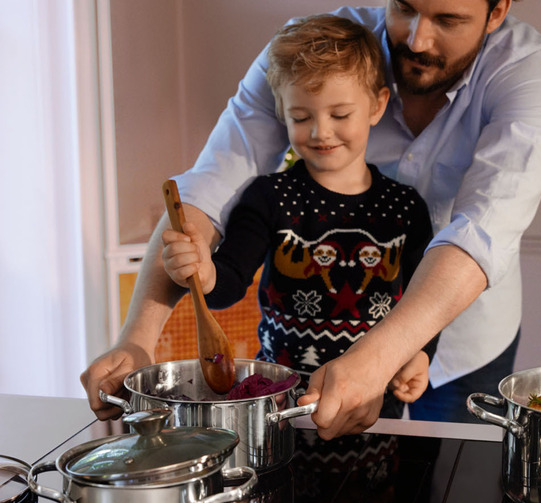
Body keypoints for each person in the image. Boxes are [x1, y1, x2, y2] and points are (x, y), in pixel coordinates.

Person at [81, 0, 541, 438]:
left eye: (449, 20)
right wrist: (138, 339)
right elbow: (210, 186)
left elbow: (483, 229)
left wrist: (382, 358)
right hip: (302, 366)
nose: (417, 39)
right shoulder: (313, 47)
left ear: (497, 11)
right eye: (404, 7)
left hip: (463, 341)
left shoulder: (527, 70)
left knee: (445, 495)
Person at [161, 15, 434, 415]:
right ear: (281, 112)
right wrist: (202, 274)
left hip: (373, 409)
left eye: (340, 115)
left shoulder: (405, 208)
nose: (321, 132)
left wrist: (421, 352)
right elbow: (228, 286)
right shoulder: (270, 197)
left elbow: (422, 301)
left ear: (377, 106)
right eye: (302, 117)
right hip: (276, 410)